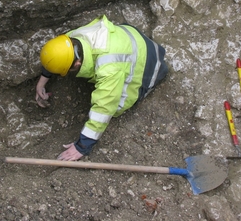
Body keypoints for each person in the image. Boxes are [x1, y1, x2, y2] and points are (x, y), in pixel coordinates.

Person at [35, 15, 168, 161]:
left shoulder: (108, 67)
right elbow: (55, 56)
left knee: (116, 107)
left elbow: (104, 107)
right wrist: (41, 82)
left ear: (77, 64)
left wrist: (82, 146)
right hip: (130, 37)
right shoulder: (72, 38)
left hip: (151, 66)